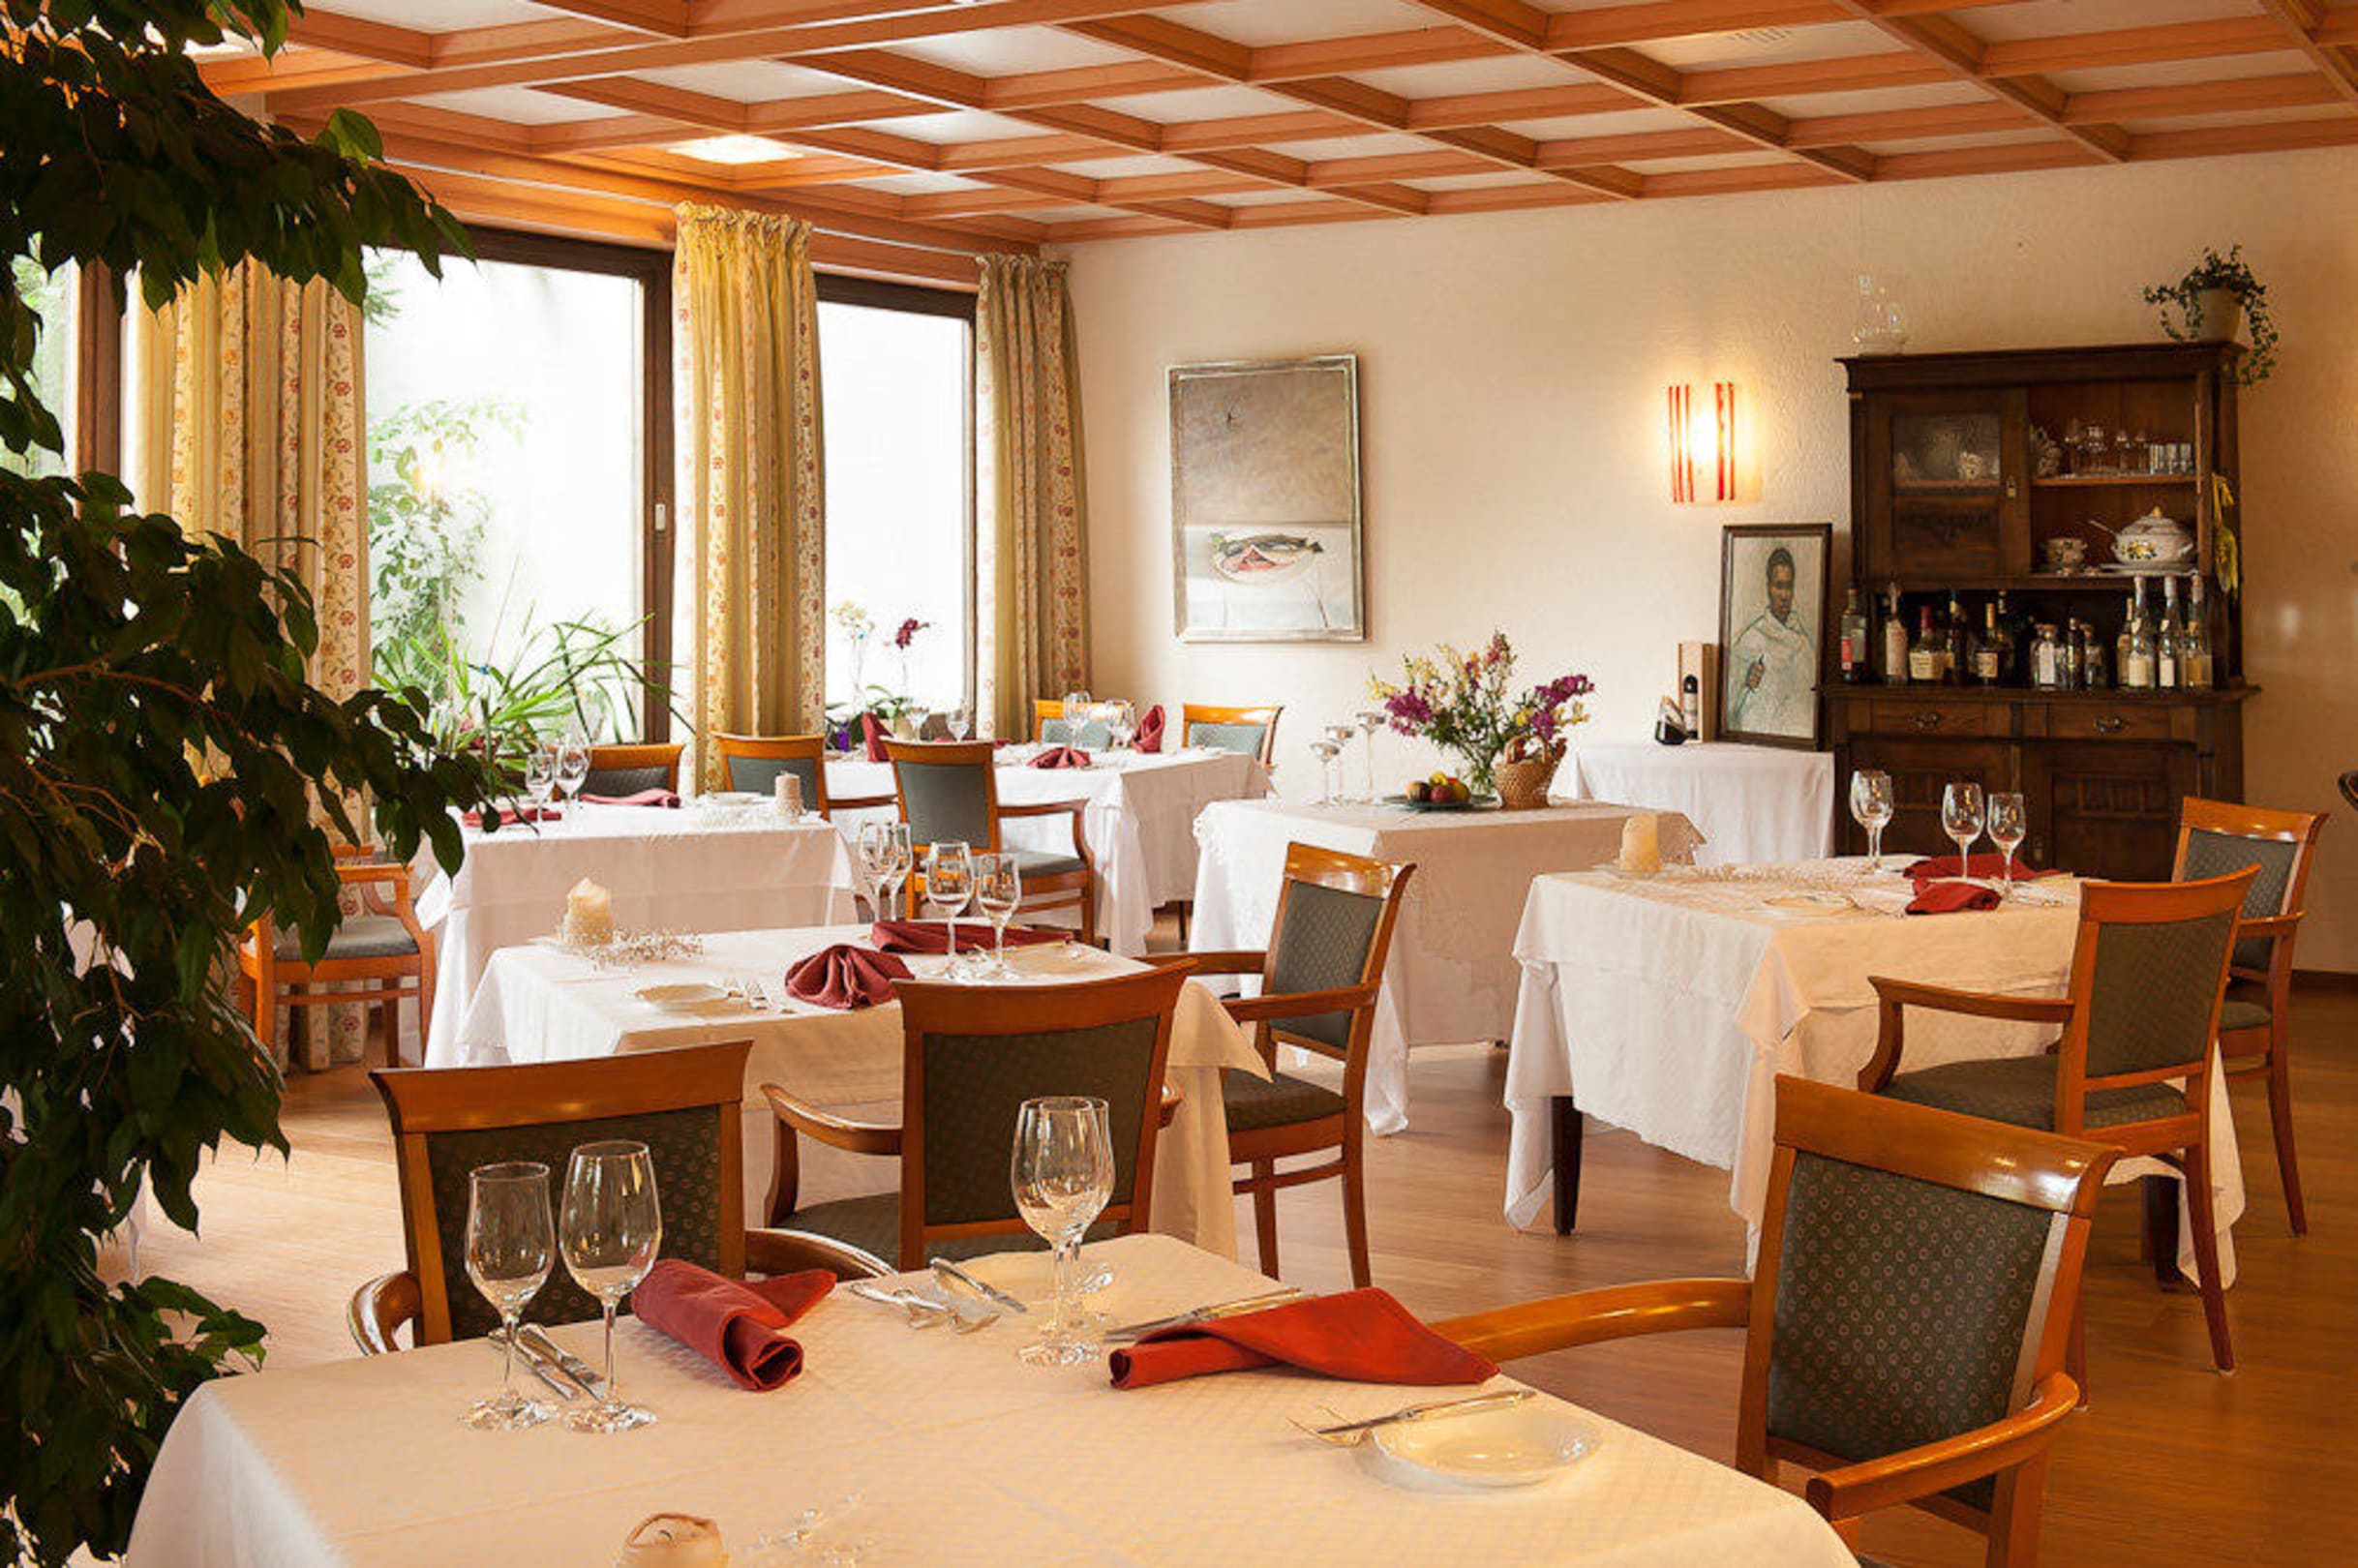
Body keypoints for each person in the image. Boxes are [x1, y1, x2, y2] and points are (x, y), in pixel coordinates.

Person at [1728, 546, 1816, 737]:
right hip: (1759, 739)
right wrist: (1746, 684)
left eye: (1788, 586)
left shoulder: (1804, 643)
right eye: (1779, 586)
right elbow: (1729, 709)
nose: (1784, 595)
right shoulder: (1751, 639)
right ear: (1768, 587)